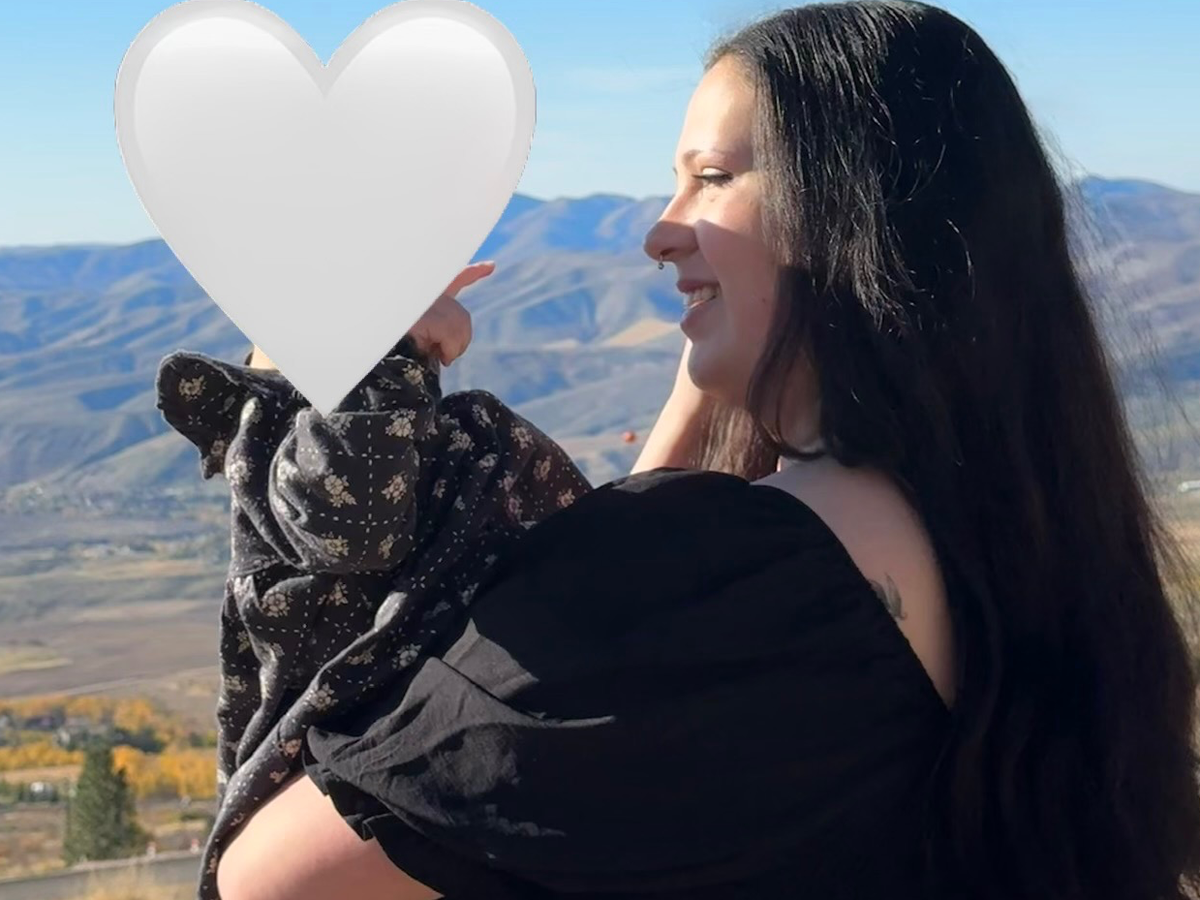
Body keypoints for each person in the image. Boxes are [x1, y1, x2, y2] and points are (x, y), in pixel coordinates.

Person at [213, 2, 1200, 899]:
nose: (659, 234)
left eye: (713, 178)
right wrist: (715, 382)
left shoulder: (742, 572)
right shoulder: (1020, 544)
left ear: (845, 210)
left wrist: (326, 381)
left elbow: (273, 882)